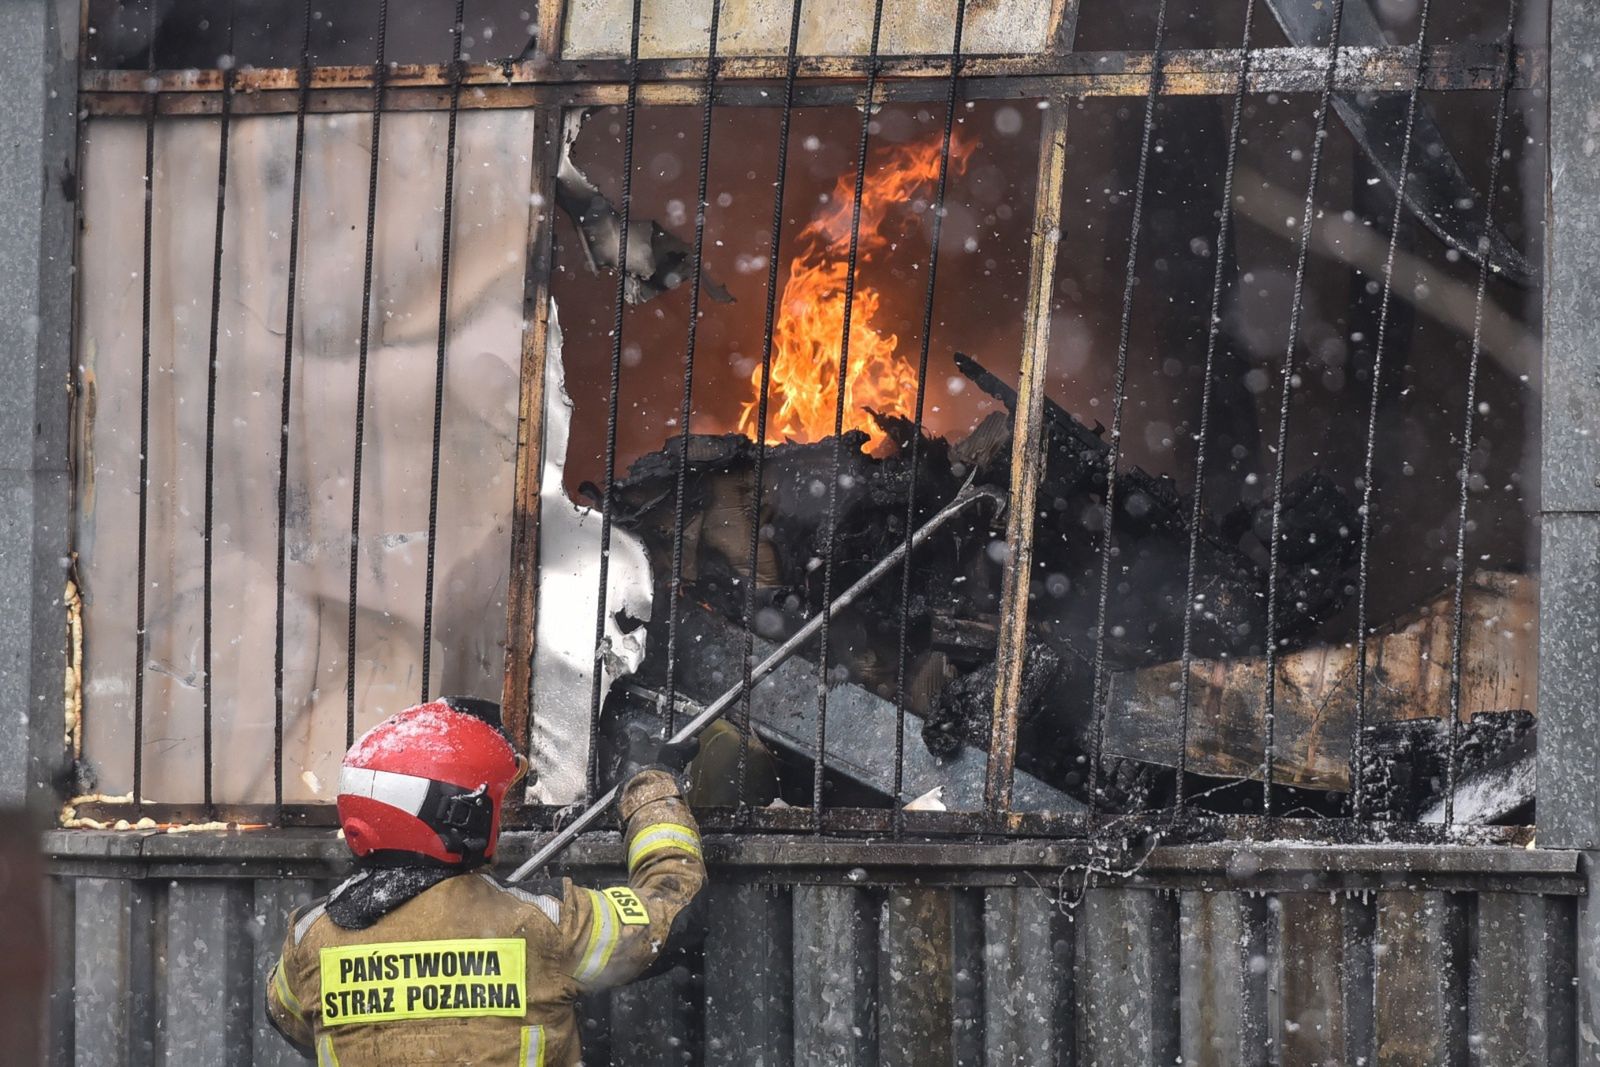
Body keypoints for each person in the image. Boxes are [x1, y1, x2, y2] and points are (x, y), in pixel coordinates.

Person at [265, 696, 705, 1066]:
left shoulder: (308, 941)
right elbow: (672, 911)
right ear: (465, 817)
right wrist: (651, 790)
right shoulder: (545, 925)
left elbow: (290, 1021)